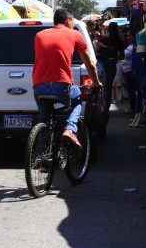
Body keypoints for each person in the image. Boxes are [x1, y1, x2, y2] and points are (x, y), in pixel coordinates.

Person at [33, 8, 102, 150]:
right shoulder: (74, 34)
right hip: (61, 85)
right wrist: (96, 83)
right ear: (68, 20)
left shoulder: (39, 35)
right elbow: (90, 63)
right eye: (72, 21)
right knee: (77, 99)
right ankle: (70, 129)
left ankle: (43, 160)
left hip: (38, 86)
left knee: (45, 118)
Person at [96, 22, 124, 110]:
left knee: (103, 85)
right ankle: (106, 107)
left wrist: (105, 48)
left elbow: (97, 49)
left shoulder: (104, 38)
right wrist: (114, 54)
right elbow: (122, 56)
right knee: (109, 85)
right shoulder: (119, 40)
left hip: (103, 64)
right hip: (112, 64)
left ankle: (103, 105)